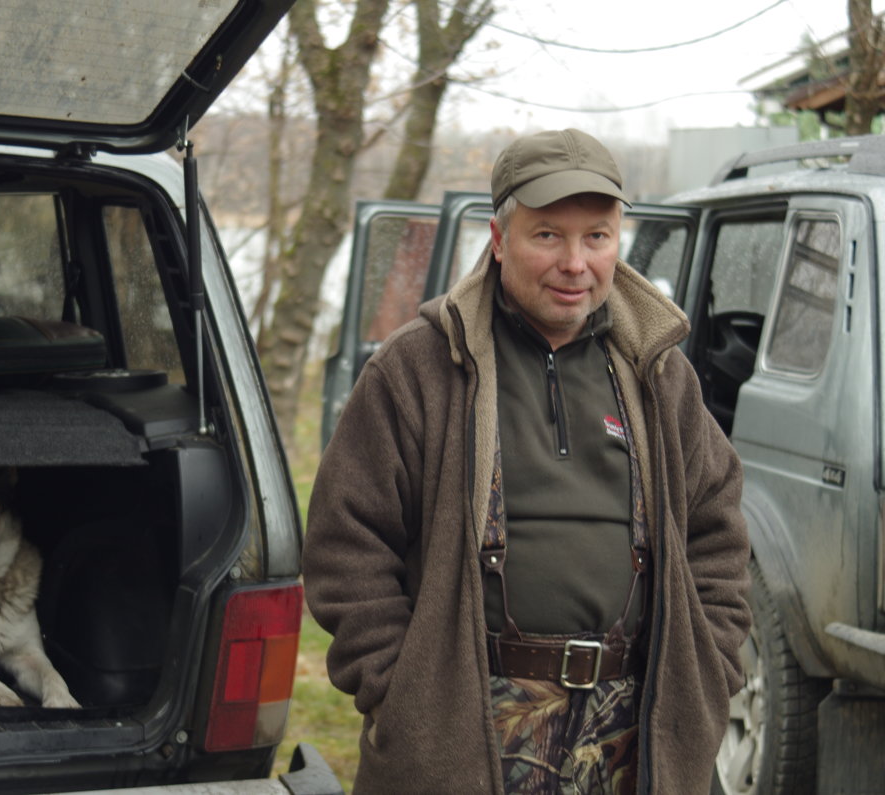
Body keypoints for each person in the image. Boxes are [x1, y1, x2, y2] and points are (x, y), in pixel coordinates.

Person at [303, 128, 751, 794]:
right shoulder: (419, 367)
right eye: (548, 235)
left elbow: (718, 531)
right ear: (499, 237)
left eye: (596, 237)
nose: (576, 263)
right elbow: (347, 547)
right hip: (467, 729)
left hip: (634, 729)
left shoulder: (660, 374)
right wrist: (404, 692)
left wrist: (708, 667)